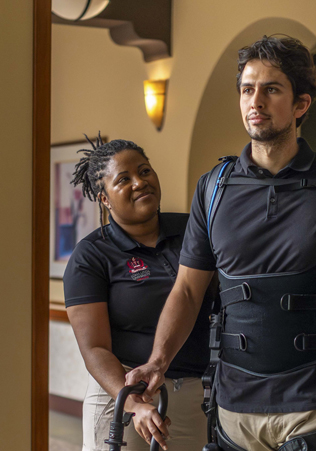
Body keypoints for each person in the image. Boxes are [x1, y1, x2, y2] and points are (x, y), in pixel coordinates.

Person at [125, 35, 316, 451]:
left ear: (300, 105)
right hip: (234, 405)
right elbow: (186, 290)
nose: (255, 101)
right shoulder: (213, 188)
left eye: (272, 89)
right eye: (247, 89)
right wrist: (157, 361)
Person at [64, 136, 213, 451]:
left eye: (145, 171)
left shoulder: (194, 233)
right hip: (121, 400)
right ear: (104, 199)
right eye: (124, 179)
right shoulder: (91, 255)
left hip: (194, 400)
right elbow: (95, 349)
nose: (139, 182)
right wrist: (133, 403)